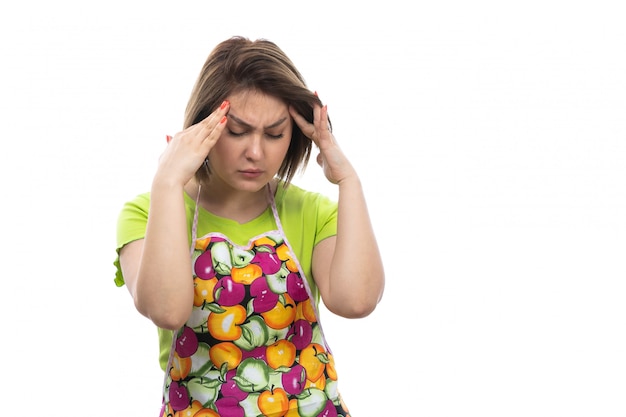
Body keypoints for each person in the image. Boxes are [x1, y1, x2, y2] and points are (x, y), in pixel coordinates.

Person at [113, 36, 385, 417]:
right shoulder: (147, 212)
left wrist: (349, 180)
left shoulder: (313, 212)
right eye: (237, 131)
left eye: (274, 134)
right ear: (203, 127)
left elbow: (356, 301)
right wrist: (166, 183)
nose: (256, 152)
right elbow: (167, 310)